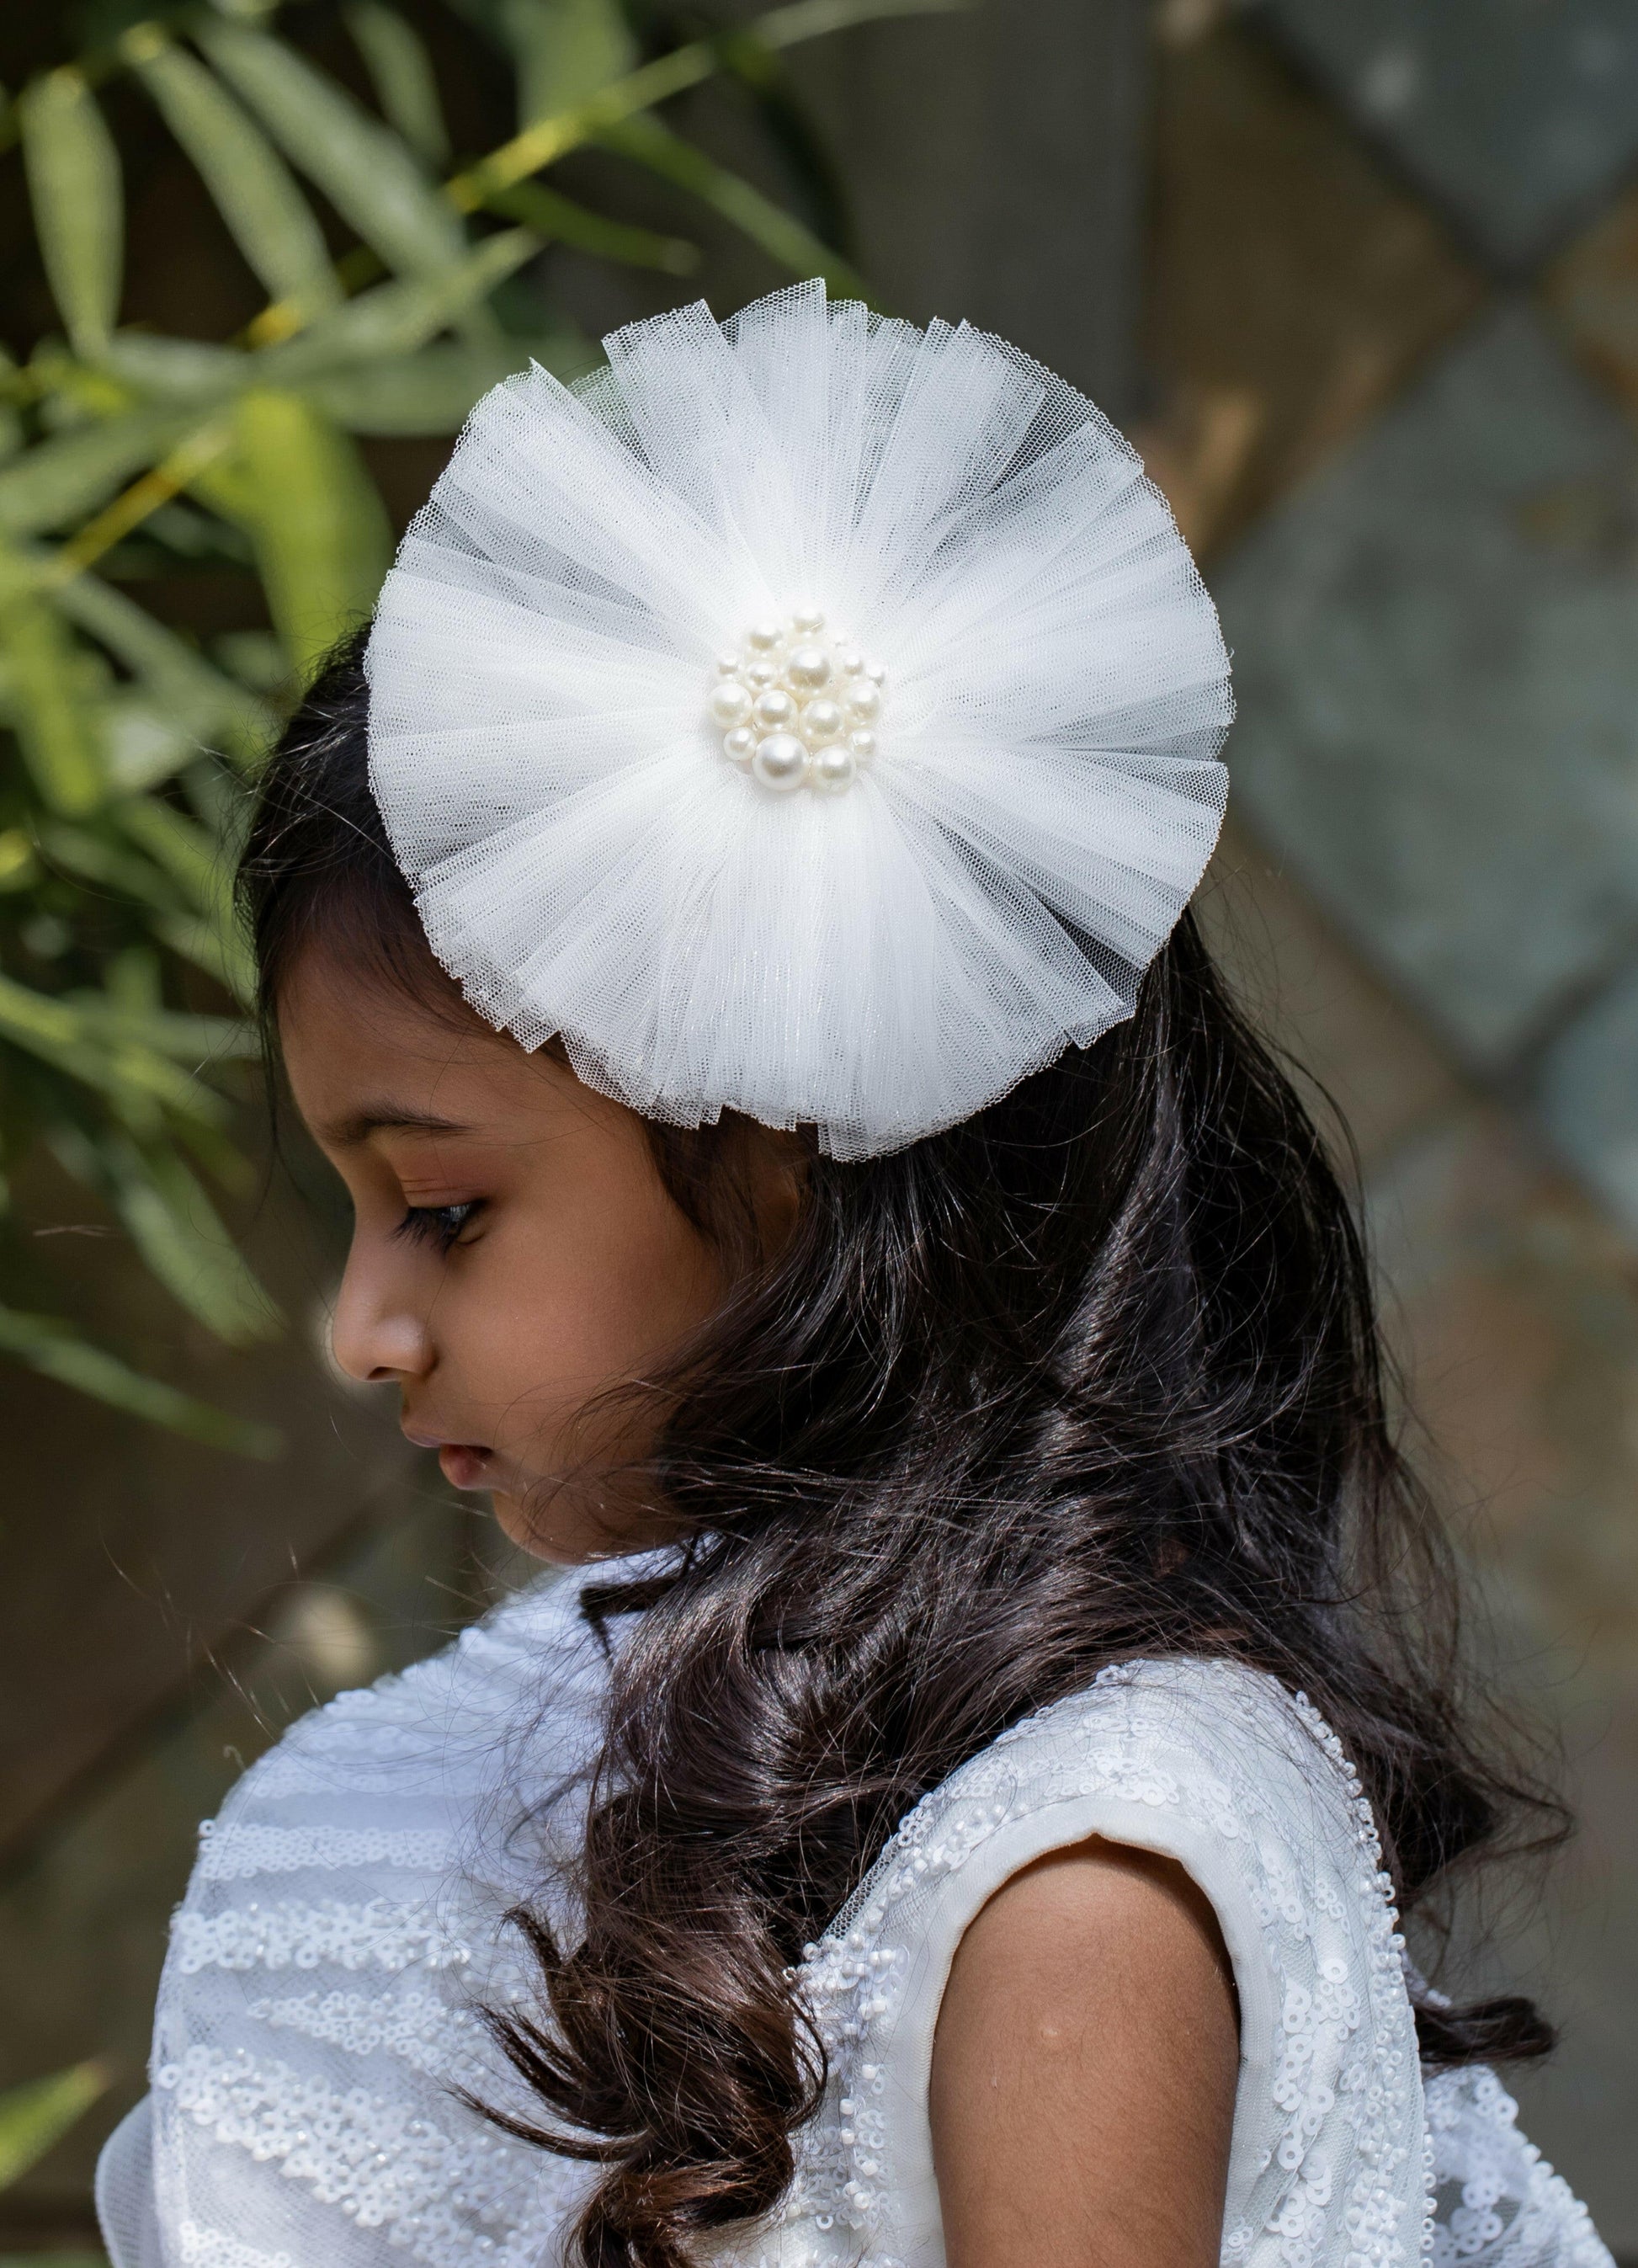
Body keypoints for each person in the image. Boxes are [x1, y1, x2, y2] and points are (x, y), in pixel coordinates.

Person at [97, 284, 1612, 2268]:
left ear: (784, 1145)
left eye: (445, 1209)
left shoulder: (1082, 1879)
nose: (367, 1331)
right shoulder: (512, 1739)